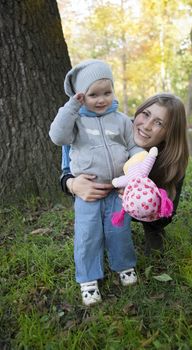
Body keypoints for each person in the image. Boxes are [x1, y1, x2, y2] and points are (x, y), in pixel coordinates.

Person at [49, 59, 143, 306]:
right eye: (93, 94)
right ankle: (88, 279)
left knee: (119, 230)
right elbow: (57, 137)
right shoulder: (75, 122)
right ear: (81, 96)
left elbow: (133, 146)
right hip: (87, 192)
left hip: (116, 190)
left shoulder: (121, 120)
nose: (101, 99)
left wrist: (134, 168)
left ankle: (124, 266)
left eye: (107, 92)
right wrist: (71, 107)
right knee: (88, 235)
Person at [61, 93, 189, 255]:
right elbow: (66, 163)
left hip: (142, 205)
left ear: (170, 132)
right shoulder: (114, 127)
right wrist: (71, 184)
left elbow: (168, 215)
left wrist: (146, 198)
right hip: (103, 194)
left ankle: (151, 229)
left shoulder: (173, 159)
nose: (147, 125)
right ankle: (101, 227)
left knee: (156, 244)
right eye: (146, 114)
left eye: (159, 123)